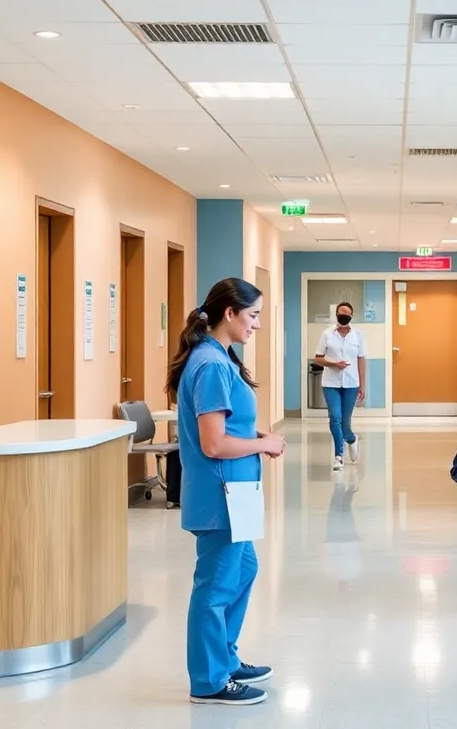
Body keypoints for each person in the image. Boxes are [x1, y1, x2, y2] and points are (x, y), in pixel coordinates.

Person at [165, 278, 287, 706]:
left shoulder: (218, 357)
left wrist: (253, 434)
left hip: (236, 492)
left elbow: (221, 426)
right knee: (216, 585)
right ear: (230, 313)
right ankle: (210, 680)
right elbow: (213, 443)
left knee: (244, 569)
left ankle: (225, 658)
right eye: (253, 316)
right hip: (222, 494)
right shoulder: (212, 364)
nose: (256, 325)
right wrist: (264, 443)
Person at [314, 302, 366, 471]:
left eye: (347, 314)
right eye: (341, 313)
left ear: (351, 316)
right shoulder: (327, 334)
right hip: (331, 383)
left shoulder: (358, 335)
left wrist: (362, 385)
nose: (344, 316)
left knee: (345, 422)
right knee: (334, 417)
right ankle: (339, 455)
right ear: (336, 315)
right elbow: (318, 358)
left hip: (351, 383)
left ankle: (351, 439)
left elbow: (361, 360)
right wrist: (333, 363)